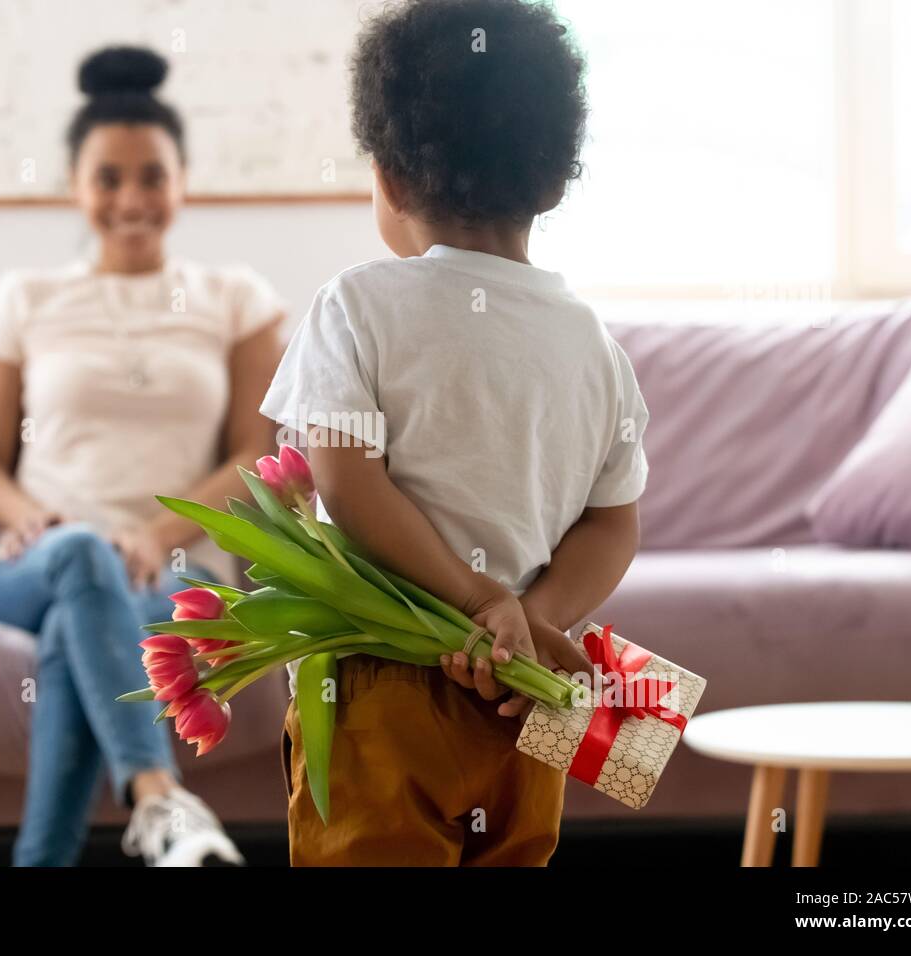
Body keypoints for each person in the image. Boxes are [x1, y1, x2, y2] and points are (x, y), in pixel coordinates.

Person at [260, 0, 648, 866]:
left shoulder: (357, 304)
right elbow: (613, 522)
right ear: (553, 181)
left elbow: (345, 476)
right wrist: (532, 616)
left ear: (390, 180)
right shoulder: (592, 343)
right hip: (525, 696)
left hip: (383, 693)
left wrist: (478, 605)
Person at [0, 46, 285, 866]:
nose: (132, 198)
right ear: (76, 186)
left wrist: (156, 536)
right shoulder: (25, 297)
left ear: (182, 183)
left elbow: (256, 454)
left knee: (83, 629)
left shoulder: (236, 297)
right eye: (109, 178)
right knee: (79, 560)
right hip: (39, 559)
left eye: (152, 176)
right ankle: (159, 797)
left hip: (176, 573)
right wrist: (28, 517)